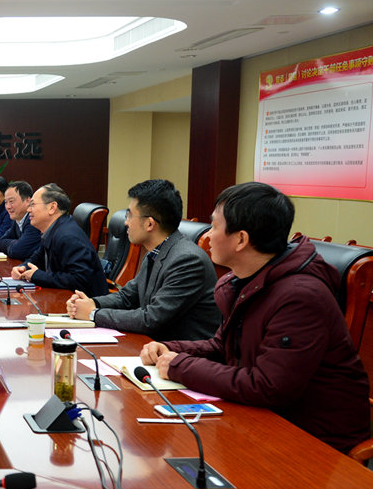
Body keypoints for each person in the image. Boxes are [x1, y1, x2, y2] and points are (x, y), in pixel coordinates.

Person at [140, 182, 369, 452]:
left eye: (214, 226)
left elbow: (269, 386)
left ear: (241, 239)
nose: (208, 236)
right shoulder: (245, 281)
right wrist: (171, 349)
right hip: (263, 420)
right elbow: (222, 346)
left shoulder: (300, 297)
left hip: (315, 440)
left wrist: (181, 366)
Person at [66, 179, 220, 341]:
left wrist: (93, 314)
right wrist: (91, 303)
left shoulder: (188, 260)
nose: (126, 222)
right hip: (154, 345)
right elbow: (127, 297)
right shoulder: (155, 253)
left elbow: (152, 319)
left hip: (181, 352)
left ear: (149, 224)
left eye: (129, 215)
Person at [12, 183, 108, 297]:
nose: (28, 209)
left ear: (52, 207)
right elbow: (37, 259)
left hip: (86, 303)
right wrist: (23, 267)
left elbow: (79, 279)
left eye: (32, 204)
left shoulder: (67, 236)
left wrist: (37, 276)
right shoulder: (53, 230)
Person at [0, 181, 42, 261]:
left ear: (28, 201)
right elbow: (1, 241)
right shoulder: (17, 220)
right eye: (6, 202)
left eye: (11, 201)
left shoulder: (33, 221)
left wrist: (16, 244)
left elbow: (17, 251)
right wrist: (17, 243)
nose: (8, 207)